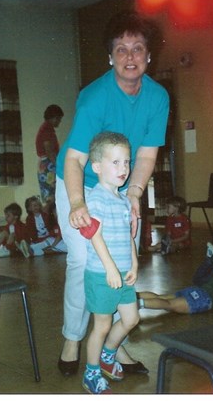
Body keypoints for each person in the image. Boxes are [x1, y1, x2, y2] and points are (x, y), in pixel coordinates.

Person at [55, 10, 169, 376]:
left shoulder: (158, 97)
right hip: (80, 181)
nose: (130, 56)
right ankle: (73, 338)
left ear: (149, 56)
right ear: (110, 57)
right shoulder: (94, 98)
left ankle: (112, 348)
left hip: (122, 182)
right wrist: (78, 204)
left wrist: (134, 193)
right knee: (82, 261)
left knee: (123, 263)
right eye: (121, 50)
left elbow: (148, 153)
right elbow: (74, 160)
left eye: (138, 48)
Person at [82, 132, 140, 394]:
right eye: (115, 162)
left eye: (126, 162)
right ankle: (91, 372)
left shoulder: (124, 199)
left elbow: (128, 235)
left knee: (131, 318)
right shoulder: (95, 198)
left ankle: (108, 355)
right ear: (97, 167)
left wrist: (134, 264)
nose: (123, 168)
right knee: (102, 324)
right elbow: (94, 235)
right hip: (102, 274)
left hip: (123, 272)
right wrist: (110, 268)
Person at [138, 245, 213, 314]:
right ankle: (136, 304)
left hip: (197, 290)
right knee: (169, 304)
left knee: (161, 297)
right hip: (204, 299)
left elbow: (197, 279)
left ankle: (132, 295)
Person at [36, 104, 64, 212]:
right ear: (54, 117)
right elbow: (49, 152)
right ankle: (45, 220)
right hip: (48, 166)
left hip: (45, 165)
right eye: (59, 119)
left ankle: (50, 222)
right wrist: (59, 166)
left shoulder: (46, 128)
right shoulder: (47, 130)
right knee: (50, 197)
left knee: (50, 196)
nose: (59, 122)